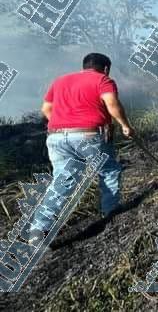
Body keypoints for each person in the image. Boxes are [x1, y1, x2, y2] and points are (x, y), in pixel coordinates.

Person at [27, 53, 134, 244]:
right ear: (106, 68)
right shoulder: (103, 79)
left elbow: (46, 109)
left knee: (63, 181)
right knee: (109, 170)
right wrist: (125, 125)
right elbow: (112, 104)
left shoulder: (60, 81)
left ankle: (38, 229)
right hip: (88, 135)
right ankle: (110, 215)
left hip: (56, 137)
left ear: (84, 66)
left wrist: (65, 126)